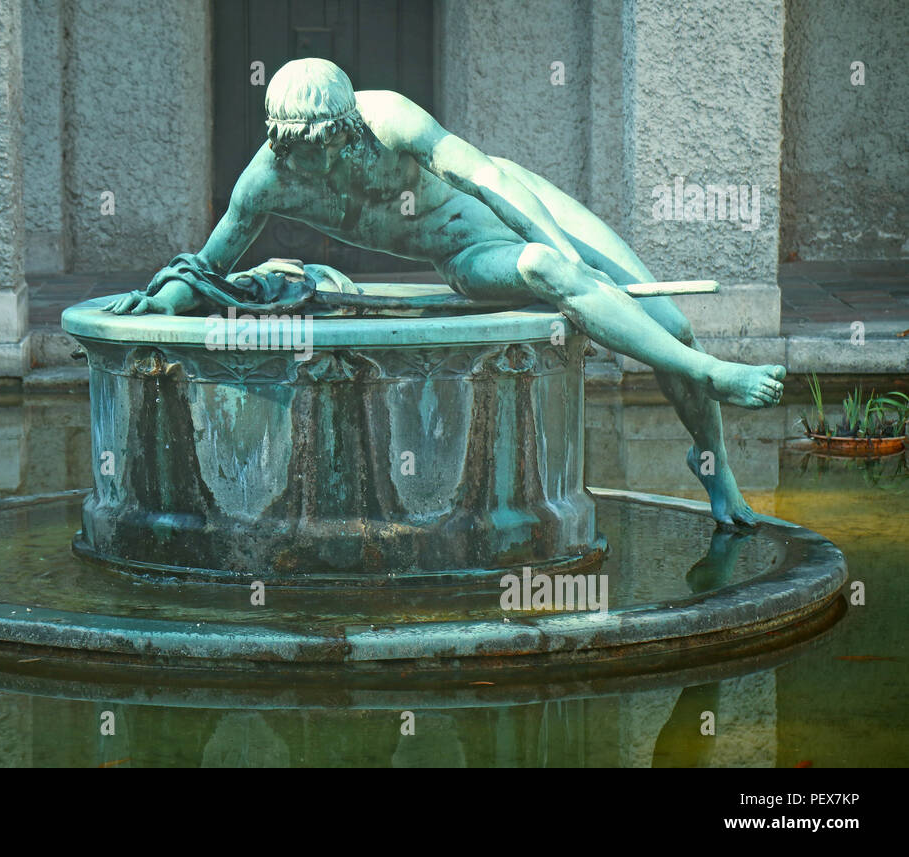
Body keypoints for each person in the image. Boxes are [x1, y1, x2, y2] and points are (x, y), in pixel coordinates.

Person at [106, 58, 784, 525]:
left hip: (529, 208)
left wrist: (570, 251)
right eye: (296, 152)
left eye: (322, 148)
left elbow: (489, 178)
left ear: (346, 129)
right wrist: (162, 300)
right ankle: (710, 374)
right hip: (473, 253)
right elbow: (209, 263)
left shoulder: (390, 119)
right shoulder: (271, 178)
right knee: (549, 271)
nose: (313, 166)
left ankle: (717, 473)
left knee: (672, 322)